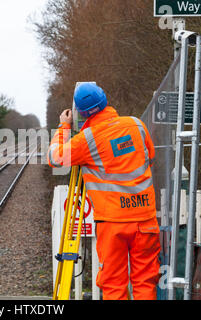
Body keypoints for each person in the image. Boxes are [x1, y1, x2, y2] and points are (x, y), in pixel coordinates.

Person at [47, 82, 161, 300]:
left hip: (113, 224)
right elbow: (151, 158)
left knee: (114, 286)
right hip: (145, 219)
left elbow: (55, 158)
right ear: (105, 100)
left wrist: (64, 127)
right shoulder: (136, 125)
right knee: (146, 282)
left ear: (79, 112)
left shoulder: (86, 140)